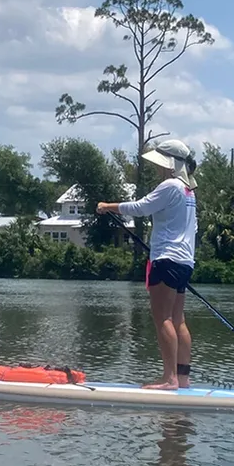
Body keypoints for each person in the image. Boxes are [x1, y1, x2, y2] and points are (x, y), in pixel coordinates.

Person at [97, 139, 199, 390]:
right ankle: (183, 379)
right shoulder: (189, 191)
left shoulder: (170, 185)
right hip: (185, 261)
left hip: (166, 259)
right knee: (178, 320)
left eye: (159, 163)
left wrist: (107, 206)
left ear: (170, 164)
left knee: (161, 318)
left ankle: (170, 379)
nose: (157, 168)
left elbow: (141, 208)